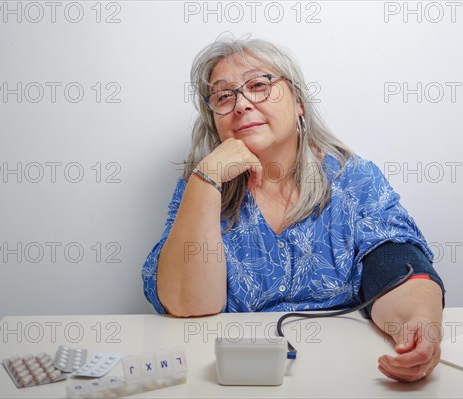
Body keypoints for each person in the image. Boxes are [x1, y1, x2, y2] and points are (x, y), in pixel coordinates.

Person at [142, 34, 446, 383]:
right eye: (224, 96)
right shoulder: (200, 187)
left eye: (258, 85)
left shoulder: (353, 179)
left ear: (299, 102)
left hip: (341, 372)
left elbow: (396, 265)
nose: (241, 104)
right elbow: (189, 306)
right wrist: (207, 178)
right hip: (230, 376)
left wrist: (418, 325)